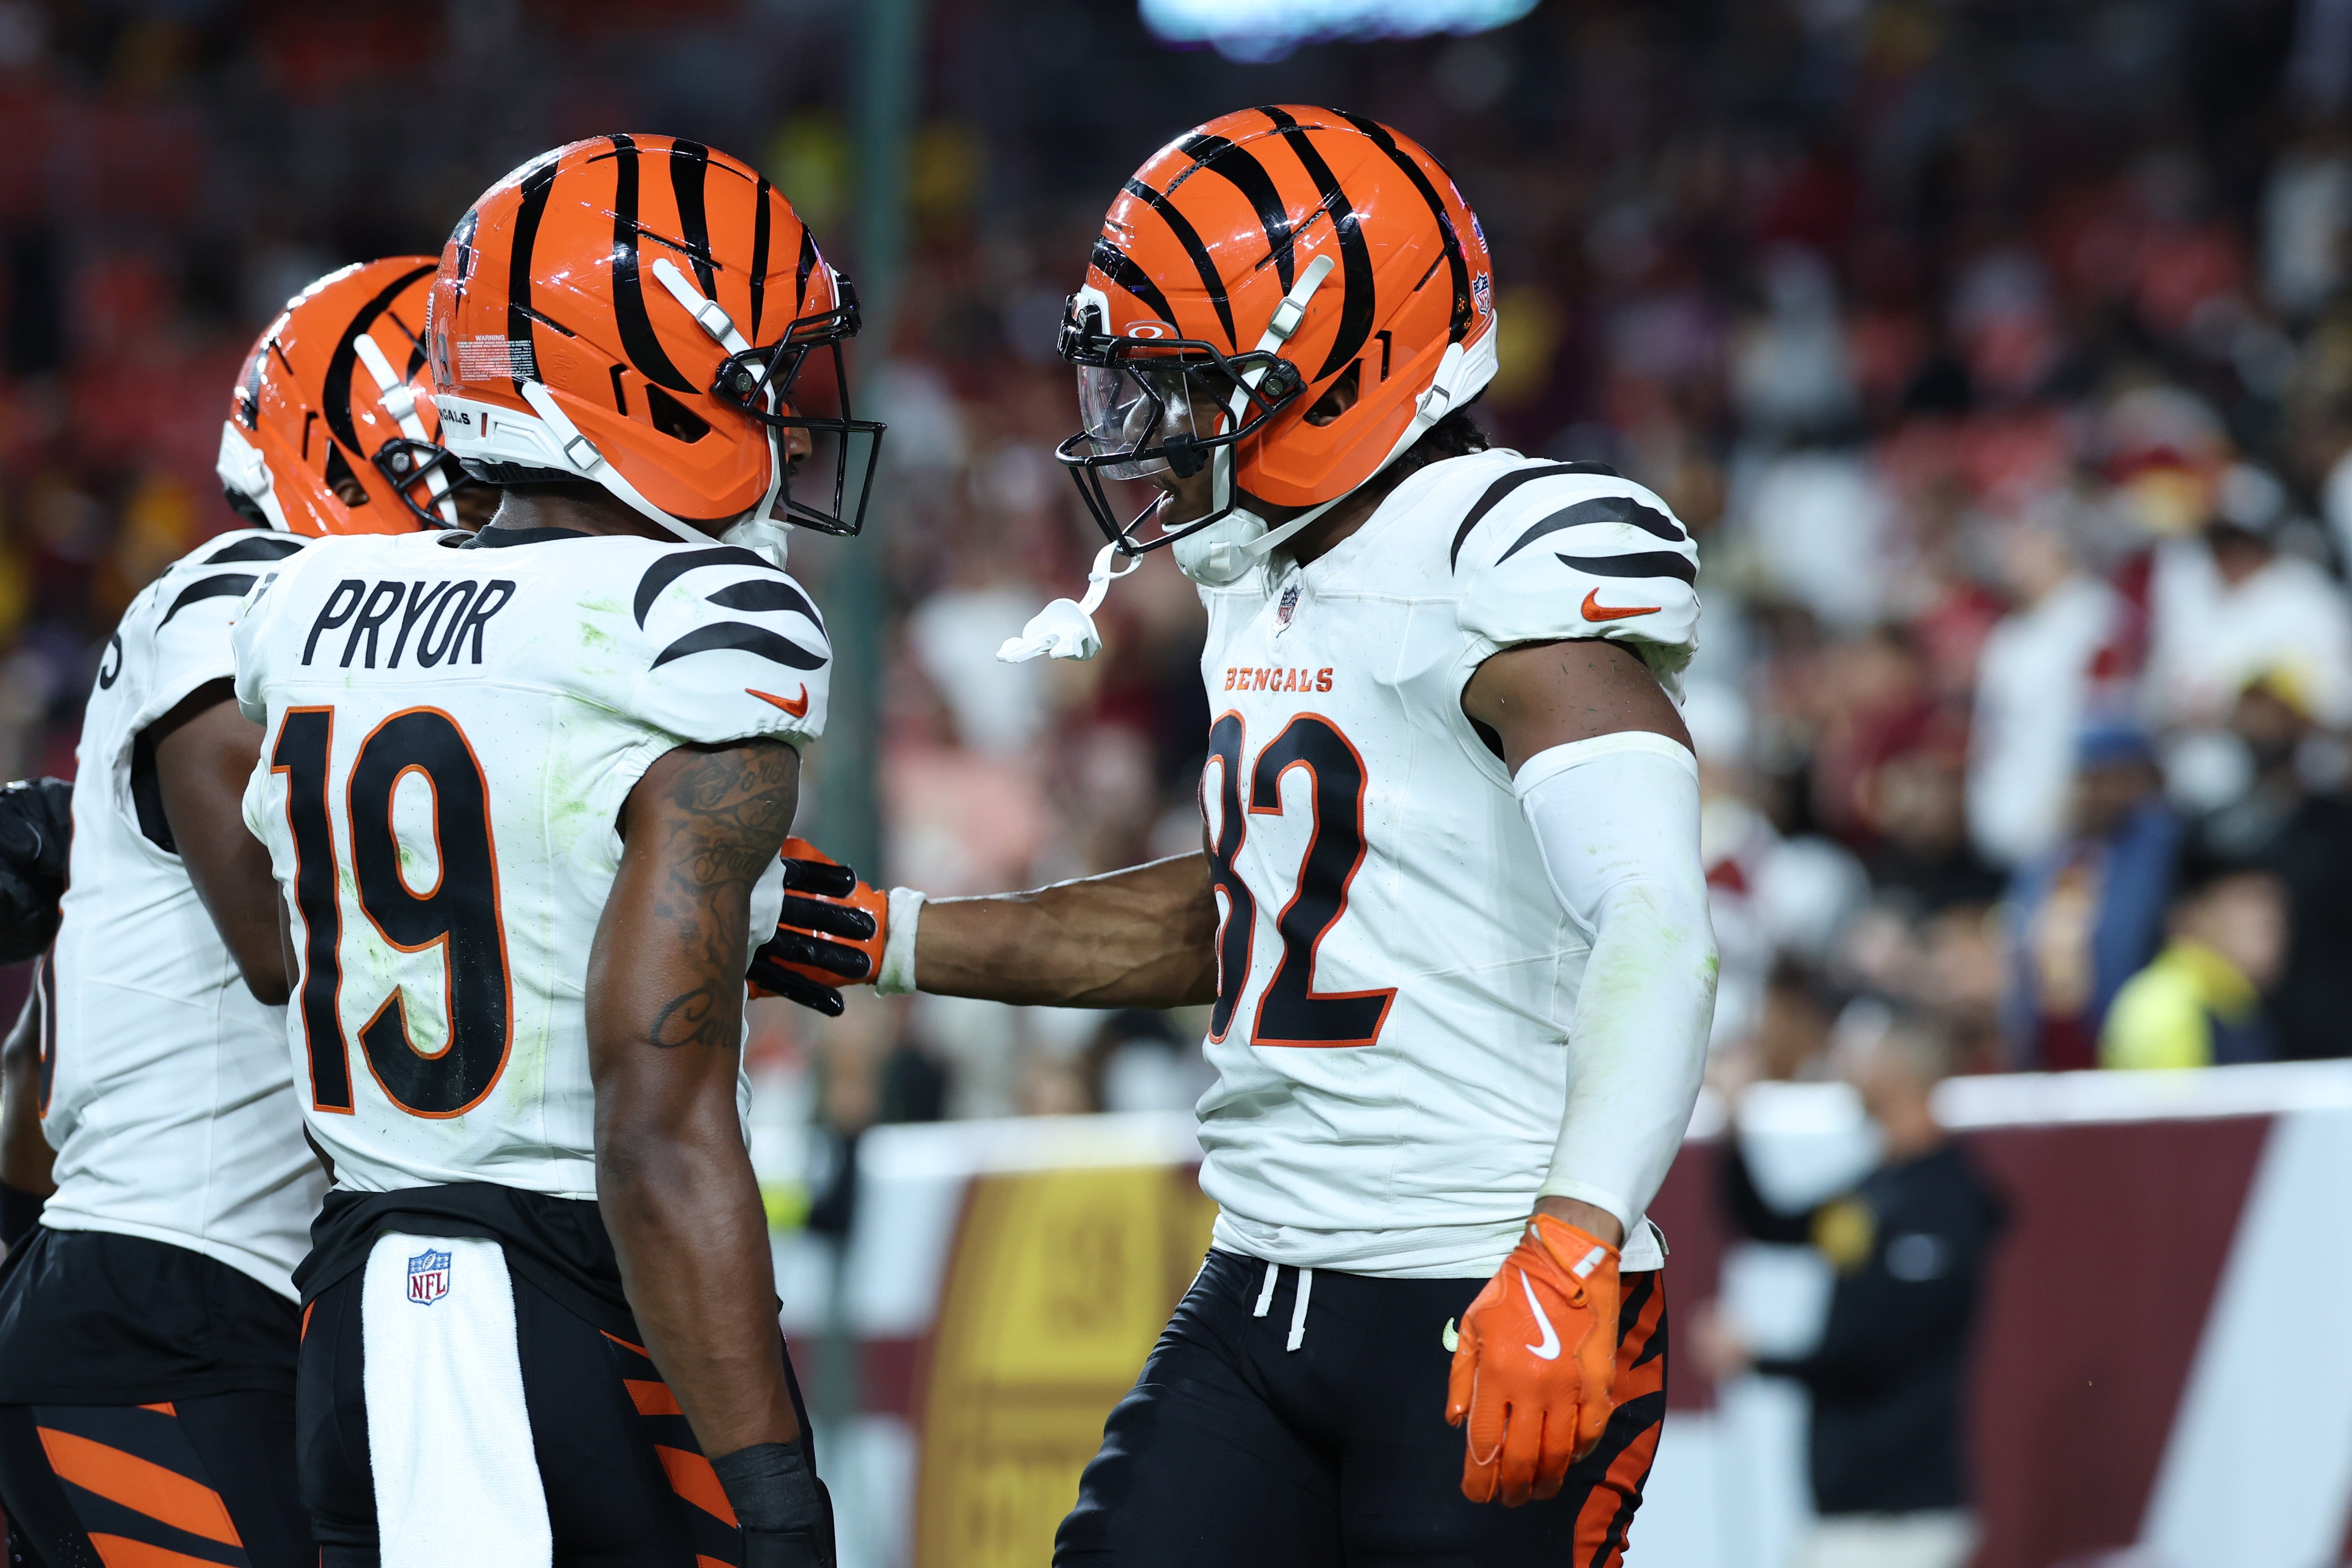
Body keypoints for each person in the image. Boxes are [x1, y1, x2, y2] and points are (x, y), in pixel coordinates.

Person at [763, 105, 1717, 1567]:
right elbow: (1249, 911)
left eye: (1186, 386)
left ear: (1345, 360)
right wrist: (895, 936)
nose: (1149, 431)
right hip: (1262, 1277)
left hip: (1486, 1276)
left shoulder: (1497, 547)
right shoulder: (1266, 578)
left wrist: (1574, 1243)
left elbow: (1654, 919)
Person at [233, 135, 872, 1568]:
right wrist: (780, 1499)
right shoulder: (698, 627)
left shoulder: (312, 600)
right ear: (640, 383)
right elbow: (657, 1132)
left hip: (360, 1305)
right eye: (753, 379)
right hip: (547, 1305)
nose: (781, 419)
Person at [0, 256, 492, 1568]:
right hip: (163, 1303)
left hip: (227, 1306)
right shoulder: (230, 603)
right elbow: (296, 942)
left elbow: (24, 1084)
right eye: (475, 464)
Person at [1700, 1015, 2003, 1568]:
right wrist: (1734, 1125)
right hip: (1854, 1507)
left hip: (1898, 1513)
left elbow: (1877, 1350)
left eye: (1868, 1052)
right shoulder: (1875, 1190)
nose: (1849, 1064)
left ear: (1901, 1073)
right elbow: (1771, 1224)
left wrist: (1755, 1357)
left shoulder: (1941, 1205)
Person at [2099, 845, 2286, 1069]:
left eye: (2274, 903)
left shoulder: (2233, 1004)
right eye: (2248, 900)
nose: (2270, 919)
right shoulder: (2167, 1008)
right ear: (2193, 915)